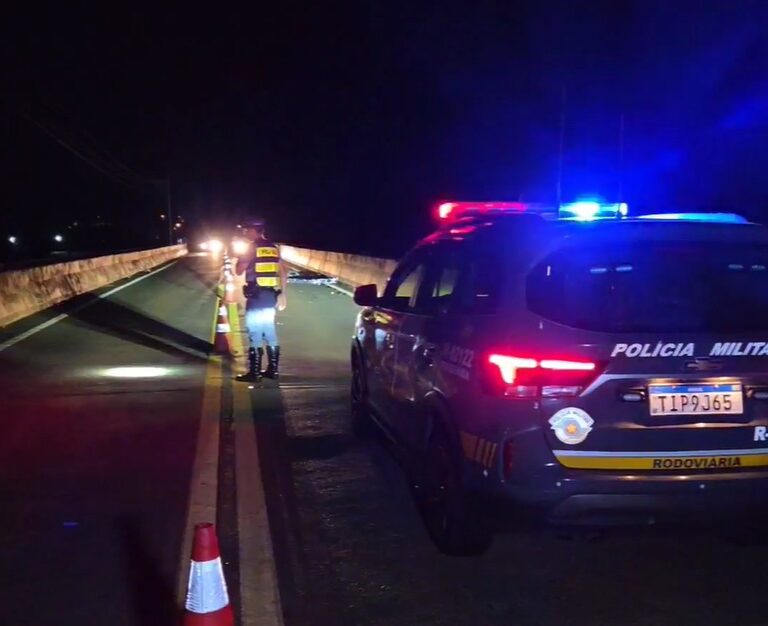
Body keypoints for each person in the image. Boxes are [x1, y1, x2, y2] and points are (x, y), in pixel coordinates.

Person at [234, 219, 287, 381]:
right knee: (270, 332)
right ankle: (273, 371)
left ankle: (254, 373)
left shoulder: (252, 248)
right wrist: (283, 294)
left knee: (254, 332)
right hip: (270, 296)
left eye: (247, 230)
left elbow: (238, 270)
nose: (244, 233)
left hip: (256, 297)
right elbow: (283, 272)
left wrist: (241, 257)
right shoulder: (273, 248)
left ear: (256, 231)